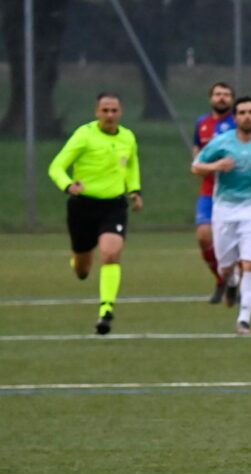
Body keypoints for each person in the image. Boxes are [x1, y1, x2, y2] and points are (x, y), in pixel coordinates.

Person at [48, 92, 143, 335]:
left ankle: (106, 311)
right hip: (83, 207)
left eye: (114, 110)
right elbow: (56, 166)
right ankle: (78, 260)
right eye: (105, 110)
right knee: (82, 270)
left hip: (114, 207)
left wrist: (134, 190)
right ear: (97, 112)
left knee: (110, 254)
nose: (110, 115)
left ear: (120, 112)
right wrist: (68, 185)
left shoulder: (128, 137)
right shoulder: (84, 135)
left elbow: (131, 165)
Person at [192, 96, 251, 335]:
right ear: (235, 117)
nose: (247, 117)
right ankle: (230, 283)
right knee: (226, 267)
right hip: (225, 210)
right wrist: (216, 166)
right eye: (242, 113)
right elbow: (196, 166)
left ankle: (244, 319)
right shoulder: (222, 142)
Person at [192, 82, 236, 304]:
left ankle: (236, 284)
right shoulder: (202, 123)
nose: (221, 98)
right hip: (209, 190)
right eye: (218, 94)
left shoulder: (238, 123)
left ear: (232, 99)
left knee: (234, 243)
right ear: (211, 98)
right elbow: (197, 155)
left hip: (234, 193)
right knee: (203, 237)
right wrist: (206, 167)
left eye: (226, 94)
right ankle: (222, 280)